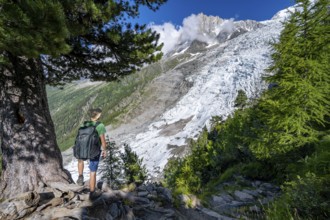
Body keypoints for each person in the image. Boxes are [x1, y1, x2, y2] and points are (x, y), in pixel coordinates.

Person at [76, 108, 107, 199]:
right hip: (94, 150)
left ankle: (80, 177)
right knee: (93, 171)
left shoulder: (84, 124)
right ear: (98, 116)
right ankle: (92, 192)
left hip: (83, 148)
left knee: (80, 160)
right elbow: (103, 141)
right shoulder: (100, 125)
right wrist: (105, 150)